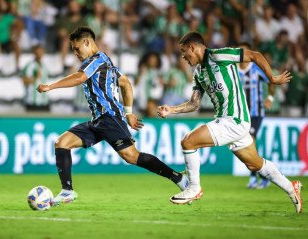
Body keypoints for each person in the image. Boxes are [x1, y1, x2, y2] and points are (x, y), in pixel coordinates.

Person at [36, 26, 189, 206]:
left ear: (87, 42)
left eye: (76, 48)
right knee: (61, 143)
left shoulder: (96, 60)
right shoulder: (105, 63)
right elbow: (125, 83)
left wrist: (50, 86)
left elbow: (79, 78)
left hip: (110, 117)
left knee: (131, 156)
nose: (75, 53)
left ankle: (179, 178)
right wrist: (129, 113)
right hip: (98, 120)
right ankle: (67, 191)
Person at [157, 32, 302, 213]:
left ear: (192, 47)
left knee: (188, 141)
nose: (183, 56)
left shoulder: (219, 55)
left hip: (235, 119)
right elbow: (194, 103)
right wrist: (171, 110)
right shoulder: (198, 73)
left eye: (183, 51)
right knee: (255, 164)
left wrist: (272, 78)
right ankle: (291, 187)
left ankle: (193, 188)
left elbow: (254, 55)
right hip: (229, 122)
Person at [237, 42, 274, 189]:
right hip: (241, 114)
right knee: (246, 147)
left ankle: (254, 177)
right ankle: (265, 176)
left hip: (256, 113)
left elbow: (272, 81)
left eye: (245, 51)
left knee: (250, 142)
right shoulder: (233, 69)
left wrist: (270, 98)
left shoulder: (257, 69)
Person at [22, 44, 50, 111]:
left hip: (44, 102)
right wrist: (35, 78)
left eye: (41, 52)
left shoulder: (44, 66)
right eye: (38, 52)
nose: (39, 54)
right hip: (32, 102)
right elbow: (24, 81)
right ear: (34, 53)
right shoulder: (29, 66)